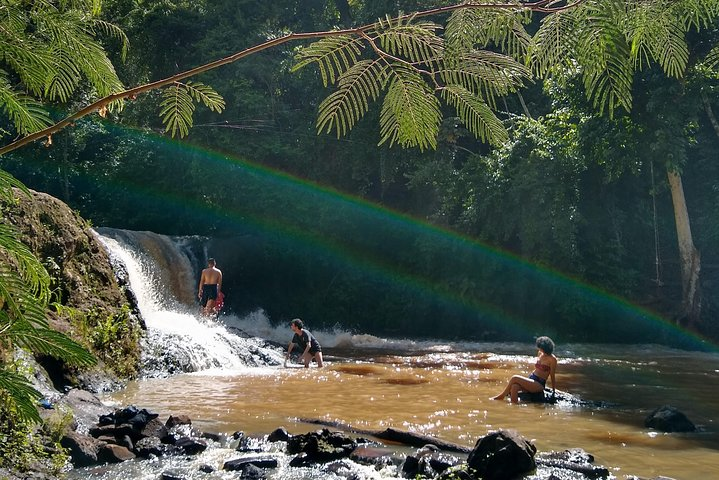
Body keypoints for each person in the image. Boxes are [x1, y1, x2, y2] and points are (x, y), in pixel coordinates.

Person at [491, 336, 557, 403]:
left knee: (514, 377)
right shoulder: (540, 354)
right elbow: (537, 369)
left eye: (541, 348)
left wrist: (554, 390)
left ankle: (502, 395)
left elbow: (552, 375)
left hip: (539, 383)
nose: (540, 349)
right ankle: (514, 406)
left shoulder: (552, 359)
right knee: (514, 386)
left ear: (546, 348)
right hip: (532, 378)